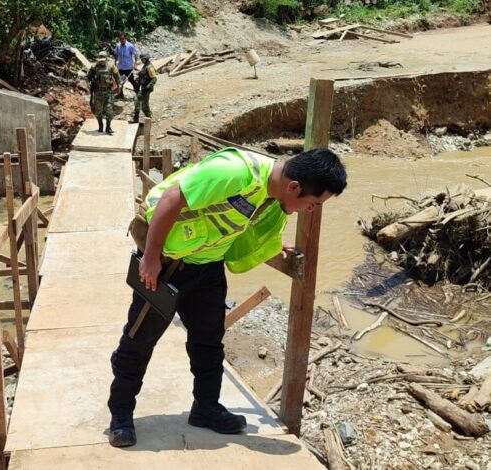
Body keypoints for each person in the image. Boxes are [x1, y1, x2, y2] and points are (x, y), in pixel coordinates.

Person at [108, 147, 348, 447]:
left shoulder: (272, 195)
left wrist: (272, 248)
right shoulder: (234, 171)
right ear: (294, 187)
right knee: (139, 338)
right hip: (167, 265)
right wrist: (151, 258)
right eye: (313, 203)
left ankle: (205, 408)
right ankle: (120, 414)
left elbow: (240, 225)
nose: (311, 210)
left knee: (208, 342)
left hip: (208, 268)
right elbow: (172, 199)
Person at [87, 51, 120, 134]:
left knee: (109, 112)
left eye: (103, 60)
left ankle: (108, 127)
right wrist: (90, 82)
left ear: (106, 59)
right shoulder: (94, 67)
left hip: (108, 92)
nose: (102, 62)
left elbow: (117, 77)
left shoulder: (112, 66)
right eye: (100, 60)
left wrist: (119, 87)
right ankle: (100, 126)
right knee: (98, 112)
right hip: (98, 92)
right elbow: (88, 77)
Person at [131, 53, 156, 123]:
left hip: (146, 89)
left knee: (144, 107)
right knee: (136, 101)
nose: (142, 61)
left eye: (143, 59)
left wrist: (148, 87)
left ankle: (149, 118)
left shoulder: (149, 67)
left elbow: (154, 79)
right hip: (142, 88)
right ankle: (136, 118)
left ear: (146, 59)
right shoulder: (145, 66)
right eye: (141, 59)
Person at [113, 32, 139, 99]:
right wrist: (115, 63)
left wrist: (135, 63)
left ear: (125, 38)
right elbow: (116, 54)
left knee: (132, 80)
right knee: (119, 81)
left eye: (123, 39)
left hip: (128, 67)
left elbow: (135, 54)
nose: (122, 40)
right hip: (120, 67)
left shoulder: (130, 46)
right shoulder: (118, 46)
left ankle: (138, 93)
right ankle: (121, 95)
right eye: (120, 39)